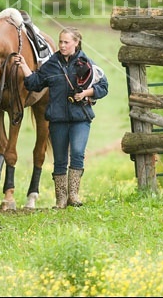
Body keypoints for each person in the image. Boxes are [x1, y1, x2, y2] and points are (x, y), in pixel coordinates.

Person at [14, 26, 108, 208]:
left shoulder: (86, 63)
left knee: (78, 153)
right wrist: (25, 66)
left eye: (66, 42)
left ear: (76, 43)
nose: (62, 45)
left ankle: (73, 195)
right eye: (60, 42)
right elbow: (35, 83)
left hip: (80, 117)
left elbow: (103, 86)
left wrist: (87, 93)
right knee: (60, 160)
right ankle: (61, 200)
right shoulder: (51, 63)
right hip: (57, 119)